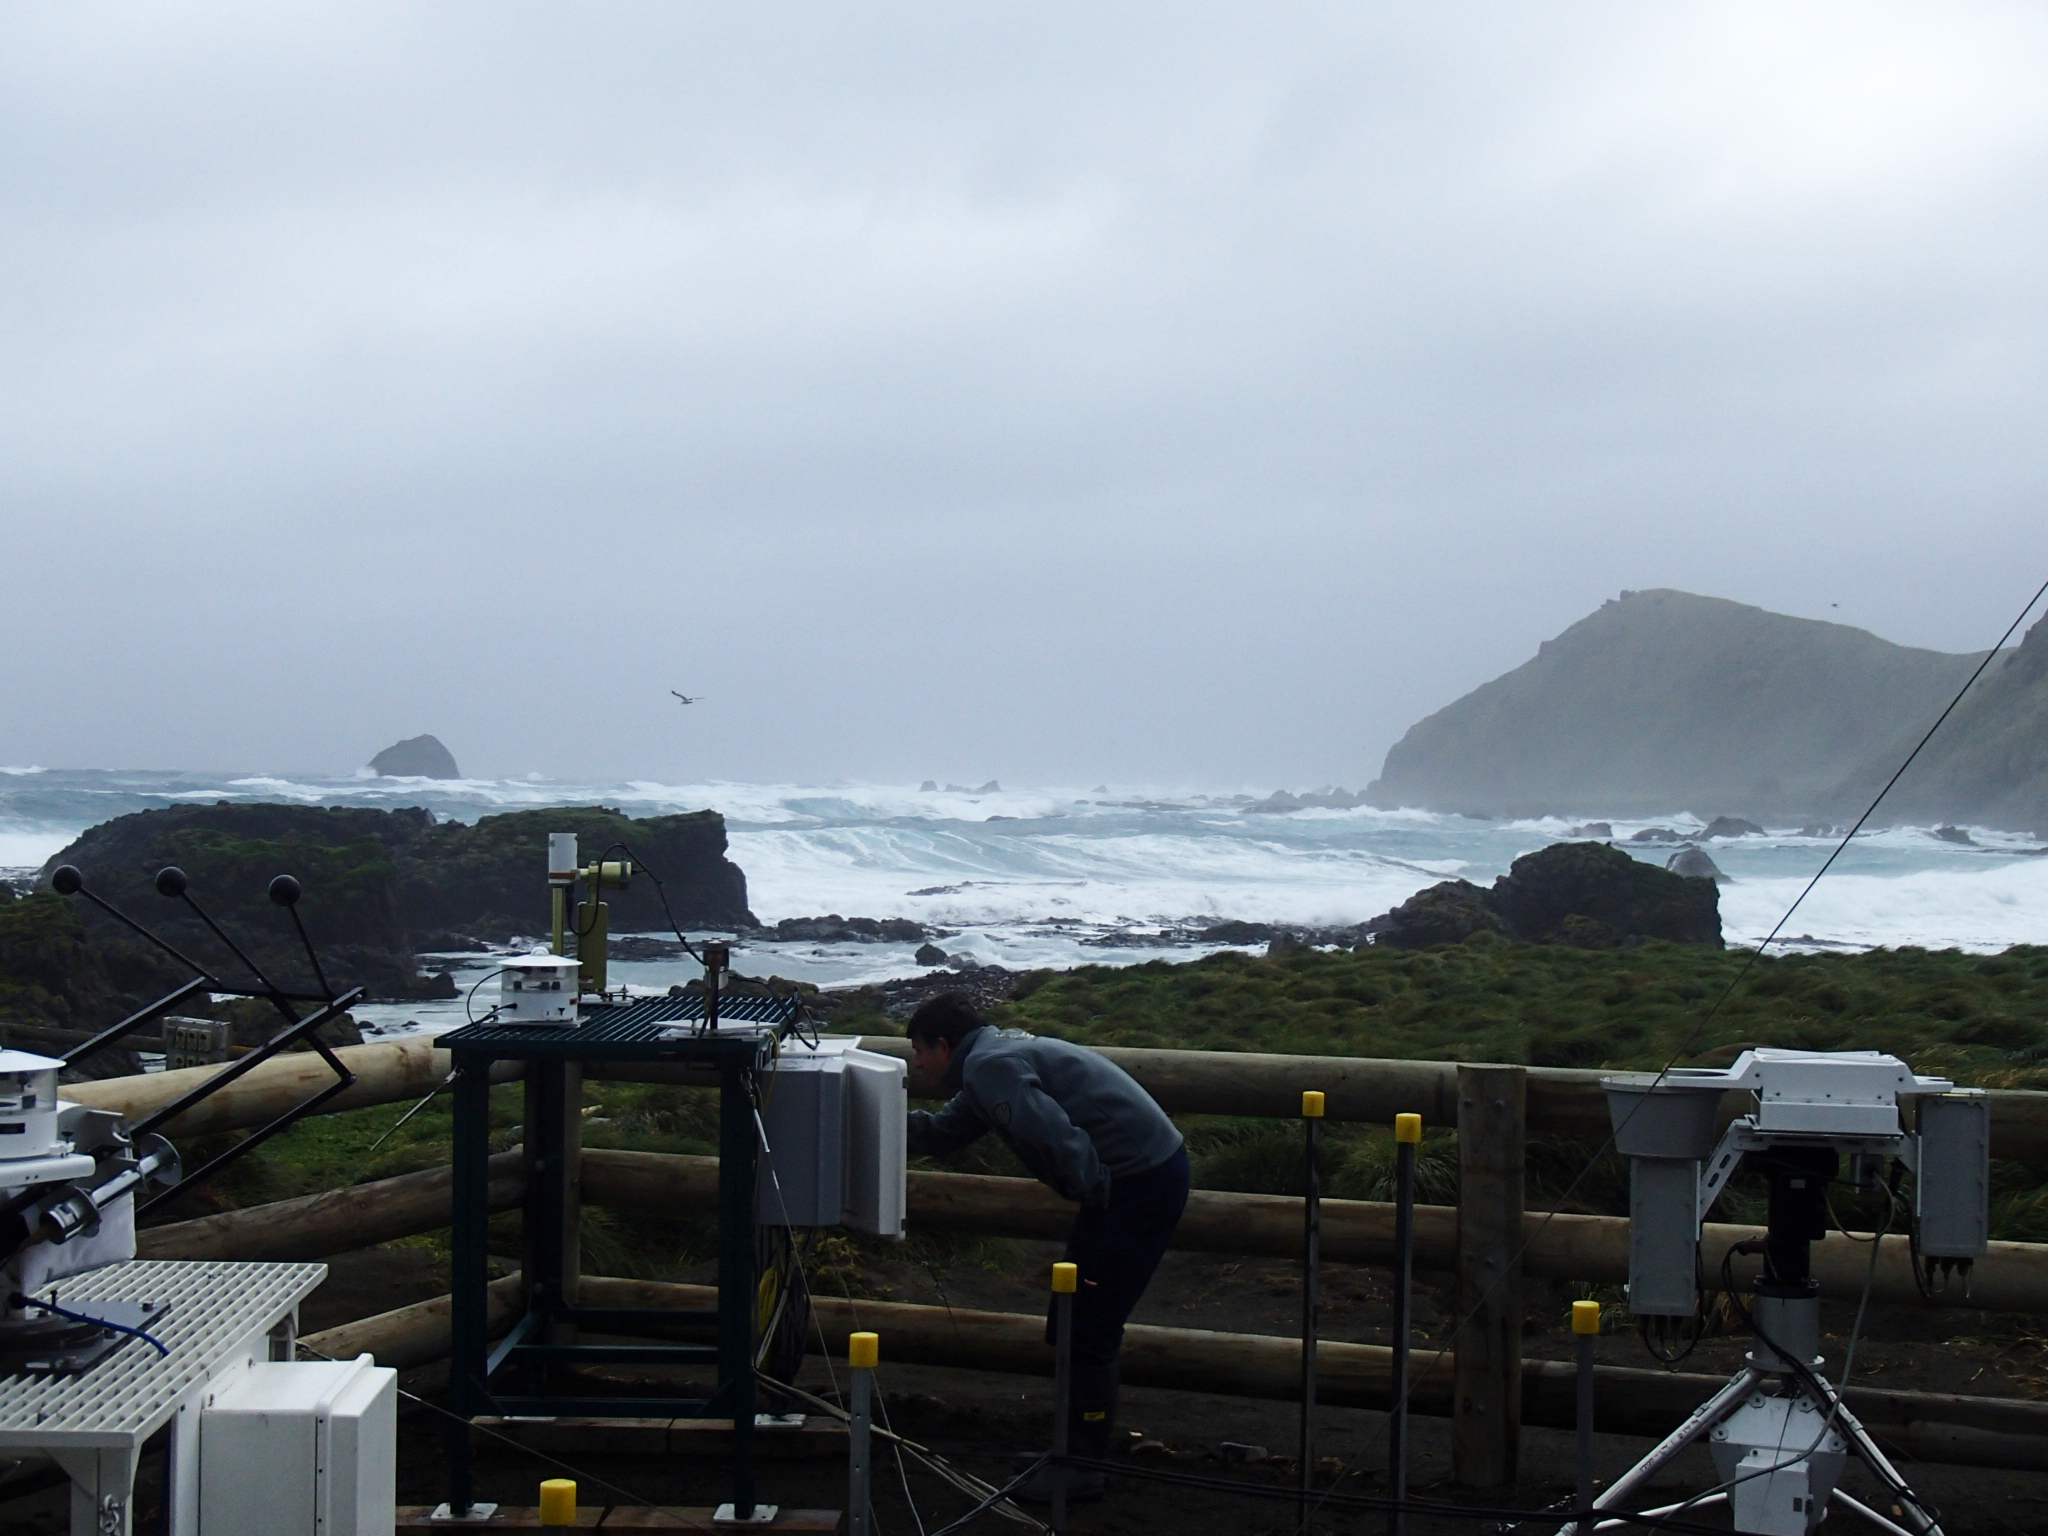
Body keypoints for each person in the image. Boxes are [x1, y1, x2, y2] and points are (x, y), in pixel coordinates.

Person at [905, 993, 1190, 1502]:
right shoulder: (987, 1063)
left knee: (1090, 1322)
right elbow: (942, 1133)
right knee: (1073, 1315)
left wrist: (1094, 1192)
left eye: (919, 1050)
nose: (918, 1062)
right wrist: (864, 1118)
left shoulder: (991, 1067)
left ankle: (1080, 1466)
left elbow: (1057, 1139)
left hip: (1139, 1182)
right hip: (1137, 1175)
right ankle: (1068, 1450)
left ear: (943, 1045)